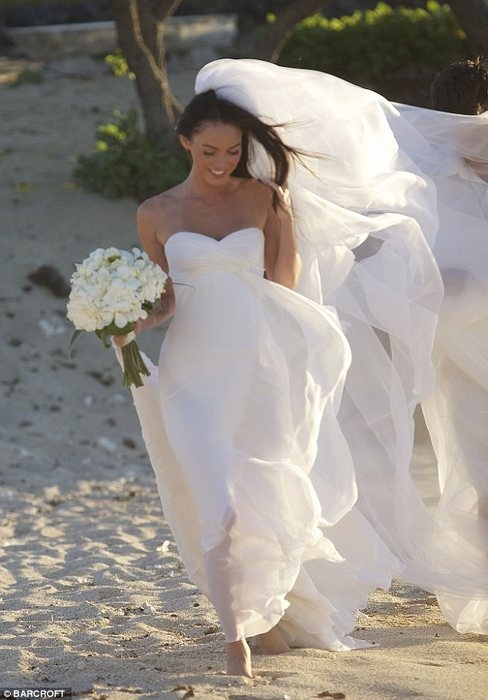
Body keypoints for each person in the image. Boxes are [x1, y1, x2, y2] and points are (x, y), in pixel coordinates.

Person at [113, 59, 444, 677]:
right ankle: (237, 638)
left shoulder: (265, 197)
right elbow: (166, 299)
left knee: (267, 495)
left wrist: (285, 220)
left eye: (233, 152)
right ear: (185, 141)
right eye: (210, 149)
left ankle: (269, 621)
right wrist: (125, 324)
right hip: (191, 373)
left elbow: (285, 285)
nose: (221, 162)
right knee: (219, 503)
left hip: (262, 367)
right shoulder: (155, 213)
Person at [394, 58, 488, 633]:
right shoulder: (421, 183)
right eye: (465, 132)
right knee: (484, 476)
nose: (474, 146)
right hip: (465, 359)